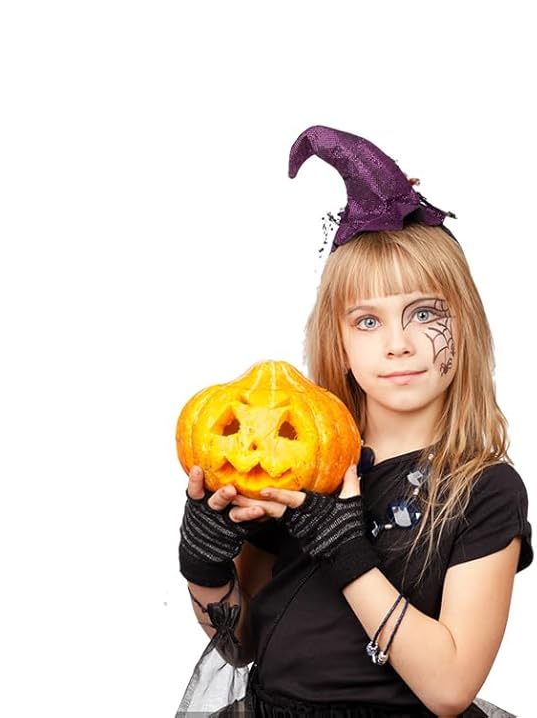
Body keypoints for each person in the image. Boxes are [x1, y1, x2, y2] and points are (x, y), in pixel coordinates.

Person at [177, 125, 532, 718]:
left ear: (463, 326)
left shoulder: (484, 490)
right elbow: (240, 644)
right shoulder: (297, 462)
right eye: (368, 321)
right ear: (338, 343)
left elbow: (449, 688)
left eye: (424, 314)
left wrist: (345, 549)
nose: (398, 344)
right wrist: (204, 563)